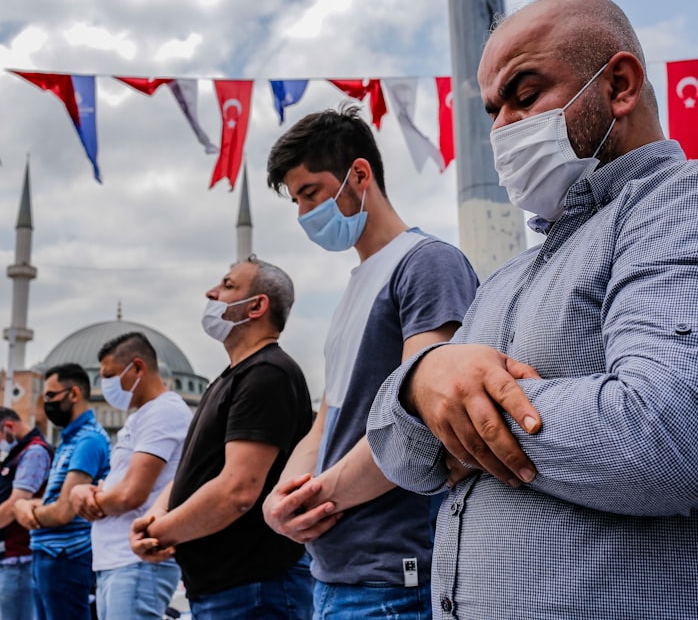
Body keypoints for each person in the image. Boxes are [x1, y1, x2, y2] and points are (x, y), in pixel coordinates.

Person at [366, 0, 698, 619]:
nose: (500, 131)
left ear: (620, 86)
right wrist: (425, 380)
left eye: (525, 96)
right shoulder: (509, 277)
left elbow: (670, 438)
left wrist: (461, 405)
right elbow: (396, 448)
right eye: (492, 110)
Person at [261, 106, 479, 618]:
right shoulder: (356, 287)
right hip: (334, 573)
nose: (303, 215)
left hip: (395, 579)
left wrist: (317, 500)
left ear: (359, 175)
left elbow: (424, 419)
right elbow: (324, 424)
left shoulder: (425, 263)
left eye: (310, 193)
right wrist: (279, 501)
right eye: (296, 201)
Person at [130, 256, 314, 619]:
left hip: (254, 588)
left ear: (257, 305)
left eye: (228, 286)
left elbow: (237, 491)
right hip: (226, 589)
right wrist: (154, 520)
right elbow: (194, 471)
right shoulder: (233, 378)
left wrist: (161, 533)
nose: (211, 292)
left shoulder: (266, 375)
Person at [69, 332, 191, 620]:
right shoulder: (142, 415)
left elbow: (130, 493)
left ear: (137, 368)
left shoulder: (163, 411)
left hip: (136, 561)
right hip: (117, 561)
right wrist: (87, 492)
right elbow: (119, 484)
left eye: (110, 376)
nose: (106, 386)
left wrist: (86, 499)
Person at [13, 363, 110, 620]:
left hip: (66, 556)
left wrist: (28, 513)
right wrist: (28, 506)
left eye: (51, 396)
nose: (47, 404)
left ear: (74, 394)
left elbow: (63, 511)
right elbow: (54, 501)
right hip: (51, 553)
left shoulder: (88, 440)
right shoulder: (70, 439)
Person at [0, 407, 53, 620]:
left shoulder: (33, 452)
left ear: (9, 427)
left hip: (18, 559)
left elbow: (17, 502)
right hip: (8, 557)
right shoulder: (18, 454)